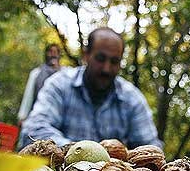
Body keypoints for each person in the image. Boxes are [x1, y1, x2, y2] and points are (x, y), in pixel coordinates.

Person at [21, 27, 162, 149]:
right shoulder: (60, 85)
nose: (106, 69)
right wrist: (82, 154)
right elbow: (33, 131)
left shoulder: (132, 99)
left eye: (114, 61)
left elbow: (151, 148)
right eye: (100, 58)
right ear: (86, 55)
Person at [17, 44, 61, 149]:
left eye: (56, 52)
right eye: (50, 51)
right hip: (37, 117)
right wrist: (23, 116)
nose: (53, 54)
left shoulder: (64, 74)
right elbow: (28, 96)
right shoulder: (36, 73)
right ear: (46, 54)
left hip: (58, 119)